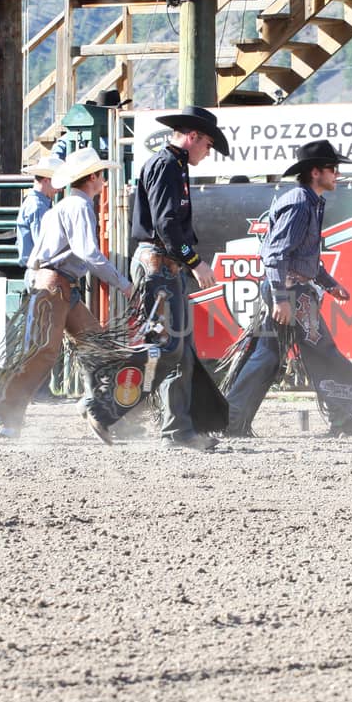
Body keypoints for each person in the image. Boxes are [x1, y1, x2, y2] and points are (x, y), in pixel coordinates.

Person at [223, 140, 352, 438]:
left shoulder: (307, 201)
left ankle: (233, 420)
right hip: (291, 293)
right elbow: (274, 254)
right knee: (320, 351)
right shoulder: (300, 203)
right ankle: (342, 418)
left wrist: (329, 283)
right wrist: (282, 297)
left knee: (269, 357)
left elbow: (301, 255)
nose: (337, 174)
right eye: (332, 169)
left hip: (291, 291)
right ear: (315, 172)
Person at [0, 148, 133, 443]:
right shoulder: (79, 207)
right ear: (93, 177)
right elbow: (88, 253)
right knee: (46, 353)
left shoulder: (63, 207)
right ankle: (3, 413)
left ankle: (98, 408)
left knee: (93, 345)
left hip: (58, 285)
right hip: (57, 285)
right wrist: (122, 283)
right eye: (102, 175)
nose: (104, 180)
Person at [130, 105, 226, 451]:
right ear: (193, 136)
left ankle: (178, 431)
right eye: (208, 144)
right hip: (159, 265)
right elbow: (166, 224)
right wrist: (196, 262)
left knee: (177, 350)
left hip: (164, 266)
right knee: (167, 348)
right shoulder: (167, 166)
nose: (208, 151)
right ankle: (106, 403)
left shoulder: (173, 165)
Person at [17, 155, 62, 278]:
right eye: (57, 182)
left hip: (36, 269)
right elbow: (43, 246)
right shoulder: (38, 206)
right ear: (47, 180)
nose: (60, 189)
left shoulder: (35, 203)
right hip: (40, 271)